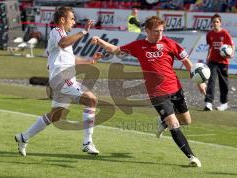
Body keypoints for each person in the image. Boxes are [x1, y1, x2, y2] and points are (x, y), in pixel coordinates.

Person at [91, 16, 206, 167]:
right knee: (174, 123)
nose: (159, 34)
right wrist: (100, 41)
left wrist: (200, 81)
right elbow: (116, 50)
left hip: (175, 88)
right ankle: (192, 157)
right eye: (156, 31)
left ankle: (162, 122)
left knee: (186, 121)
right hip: (157, 93)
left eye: (162, 31)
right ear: (147, 31)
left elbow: (187, 62)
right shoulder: (138, 46)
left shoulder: (169, 43)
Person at [15, 6, 100, 156]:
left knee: (55, 116)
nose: (74, 22)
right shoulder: (57, 32)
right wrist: (84, 31)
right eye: (72, 18)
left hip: (62, 79)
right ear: (62, 19)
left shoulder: (62, 36)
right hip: (63, 78)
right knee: (91, 100)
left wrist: (90, 61)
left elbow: (70, 59)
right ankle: (87, 142)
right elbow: (63, 43)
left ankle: (24, 137)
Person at [204, 13, 234, 111]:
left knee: (223, 83)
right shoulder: (209, 34)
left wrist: (231, 54)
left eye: (217, 22)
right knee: (211, 81)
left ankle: (224, 103)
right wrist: (207, 57)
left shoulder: (225, 34)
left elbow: (231, 45)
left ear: (220, 23)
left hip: (223, 62)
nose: (215, 23)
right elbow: (210, 47)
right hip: (212, 61)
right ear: (211, 23)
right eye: (214, 22)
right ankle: (208, 103)